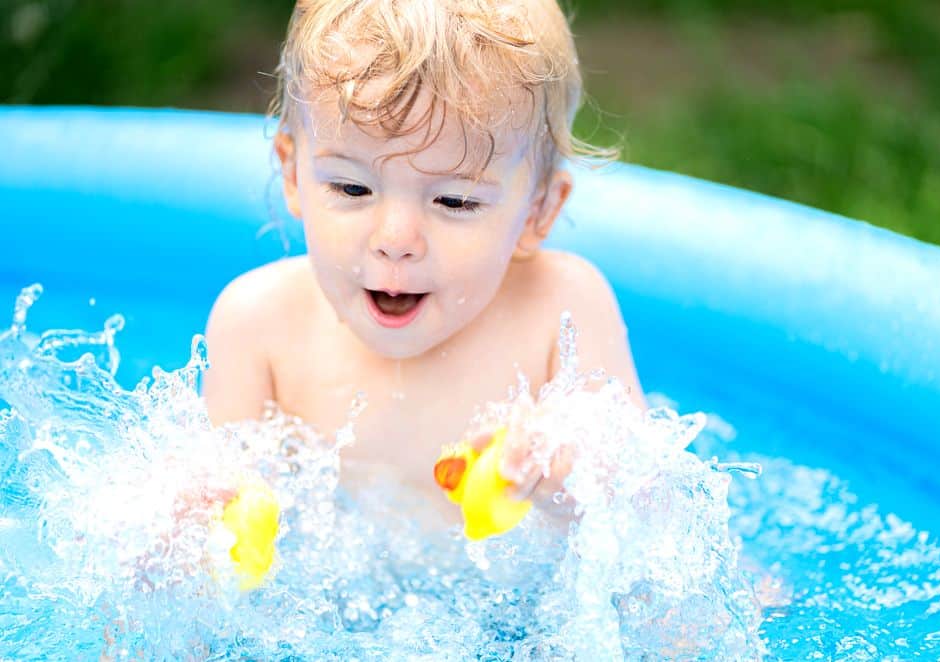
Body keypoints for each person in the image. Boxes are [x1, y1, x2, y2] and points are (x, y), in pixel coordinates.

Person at [203, 0, 646, 520]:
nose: (395, 239)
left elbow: (648, 515)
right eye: (351, 186)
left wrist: (571, 470)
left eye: (454, 201)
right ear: (294, 174)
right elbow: (219, 533)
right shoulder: (259, 325)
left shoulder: (562, 311)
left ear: (537, 211)